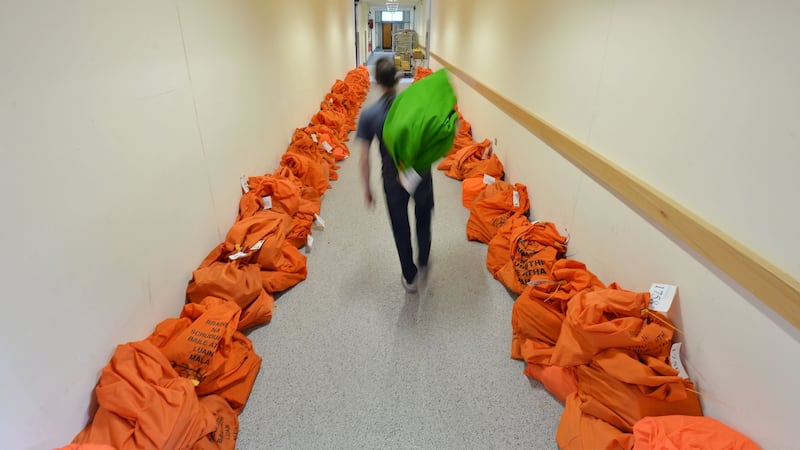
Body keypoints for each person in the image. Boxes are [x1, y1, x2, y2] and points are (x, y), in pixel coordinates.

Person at [357, 57, 433, 294]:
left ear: (376, 82)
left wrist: (368, 189)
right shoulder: (417, 106)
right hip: (420, 173)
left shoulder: (369, 115)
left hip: (392, 179)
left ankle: (410, 276)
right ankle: (423, 260)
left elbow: (364, 158)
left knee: (400, 226)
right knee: (423, 216)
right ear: (399, 79)